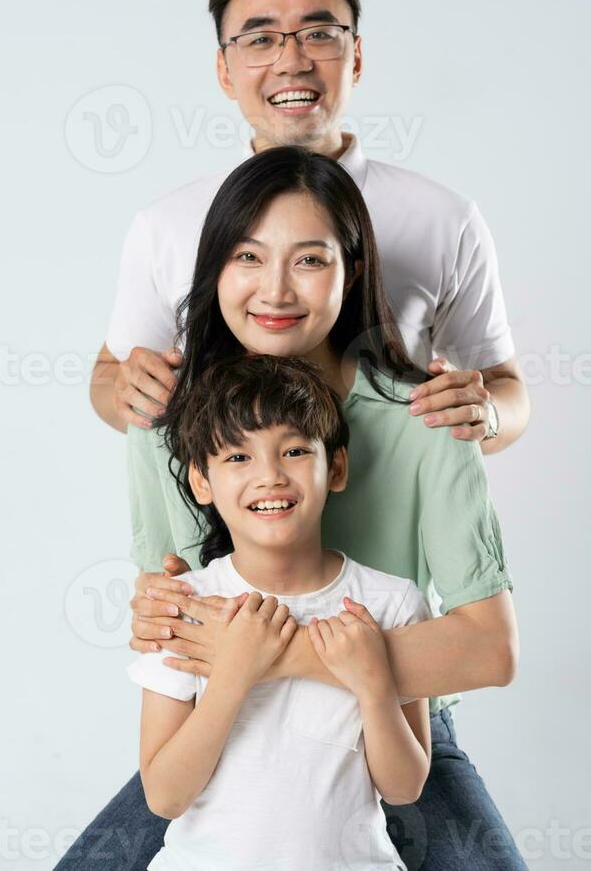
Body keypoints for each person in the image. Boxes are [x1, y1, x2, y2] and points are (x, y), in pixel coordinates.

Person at [56, 146, 525, 870]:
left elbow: (488, 652)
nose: (275, 290)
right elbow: (174, 617)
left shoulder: (426, 419)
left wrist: (285, 653)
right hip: (230, 723)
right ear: (214, 271)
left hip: (395, 716)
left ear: (353, 270)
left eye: (309, 260)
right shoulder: (165, 423)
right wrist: (177, 624)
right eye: (248, 257)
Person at [90, 0, 530, 454]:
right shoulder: (166, 222)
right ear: (224, 72)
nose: (292, 61)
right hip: (234, 527)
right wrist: (124, 391)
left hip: (396, 518)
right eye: (260, 40)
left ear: (356, 57)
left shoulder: (444, 217)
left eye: (319, 34)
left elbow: (505, 386)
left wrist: (487, 414)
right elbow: (108, 376)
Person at [128, 353, 433, 870]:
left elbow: (404, 788)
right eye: (237, 458)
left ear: (334, 467)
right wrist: (233, 674)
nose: (269, 476)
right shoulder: (183, 606)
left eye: (293, 451)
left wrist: (374, 684)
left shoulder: (392, 603)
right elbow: (164, 797)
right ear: (202, 482)